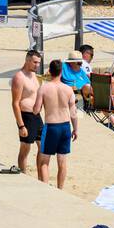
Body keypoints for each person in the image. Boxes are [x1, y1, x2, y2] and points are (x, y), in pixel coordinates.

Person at [34, 58, 77, 190]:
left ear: (49, 71)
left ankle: (46, 189)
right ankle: (60, 189)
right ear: (61, 72)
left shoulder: (43, 88)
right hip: (65, 126)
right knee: (62, 161)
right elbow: (74, 113)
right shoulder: (68, 89)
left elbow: (36, 110)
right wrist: (75, 129)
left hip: (51, 126)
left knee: (44, 162)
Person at [8, 49, 43, 174]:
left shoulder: (33, 75)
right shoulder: (19, 77)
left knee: (42, 145)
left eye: (38, 63)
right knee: (25, 147)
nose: (37, 65)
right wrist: (21, 125)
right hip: (26, 116)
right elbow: (15, 103)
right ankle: (23, 173)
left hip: (37, 115)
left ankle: (41, 173)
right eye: (35, 62)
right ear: (27, 60)